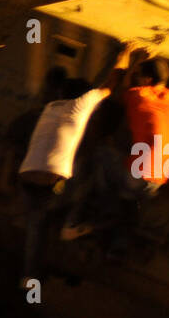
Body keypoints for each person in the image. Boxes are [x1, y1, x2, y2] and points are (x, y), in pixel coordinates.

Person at [63, 51, 169, 242]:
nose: (135, 78)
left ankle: (96, 204)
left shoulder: (138, 95)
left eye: (138, 74)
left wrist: (136, 58)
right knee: (125, 177)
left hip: (135, 178)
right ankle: (111, 215)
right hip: (155, 184)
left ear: (146, 79)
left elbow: (120, 86)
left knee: (102, 151)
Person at [15, 43, 142, 286]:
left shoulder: (51, 108)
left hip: (27, 178)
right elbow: (110, 83)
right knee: (88, 176)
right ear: (83, 97)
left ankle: (29, 275)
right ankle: (72, 224)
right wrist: (125, 55)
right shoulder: (80, 107)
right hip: (53, 182)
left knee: (37, 224)